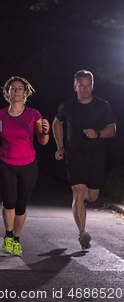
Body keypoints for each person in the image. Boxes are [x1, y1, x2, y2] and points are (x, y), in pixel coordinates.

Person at [52, 70, 116, 250]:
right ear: (75, 87)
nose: (85, 88)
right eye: (81, 85)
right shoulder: (67, 106)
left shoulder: (102, 106)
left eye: (88, 85)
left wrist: (98, 134)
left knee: (92, 196)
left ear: (92, 86)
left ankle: (84, 213)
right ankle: (82, 232)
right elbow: (57, 123)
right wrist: (60, 147)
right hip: (74, 156)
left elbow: (112, 129)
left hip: (96, 157)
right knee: (78, 193)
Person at [0, 76, 49, 257]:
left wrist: (45, 131)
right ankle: (8, 235)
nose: (16, 91)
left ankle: (17, 238)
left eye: (19, 88)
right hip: (4, 163)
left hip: (28, 164)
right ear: (7, 92)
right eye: (12, 88)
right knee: (9, 201)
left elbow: (42, 141)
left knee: (21, 205)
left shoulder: (34, 114)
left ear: (25, 92)